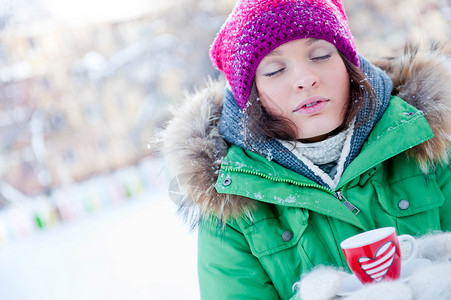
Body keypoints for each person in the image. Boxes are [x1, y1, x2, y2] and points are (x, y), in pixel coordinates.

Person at [155, 0, 451, 299]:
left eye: (321, 55)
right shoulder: (230, 204)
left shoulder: (428, 140)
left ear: (349, 65)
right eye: (274, 69)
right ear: (251, 97)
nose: (305, 79)